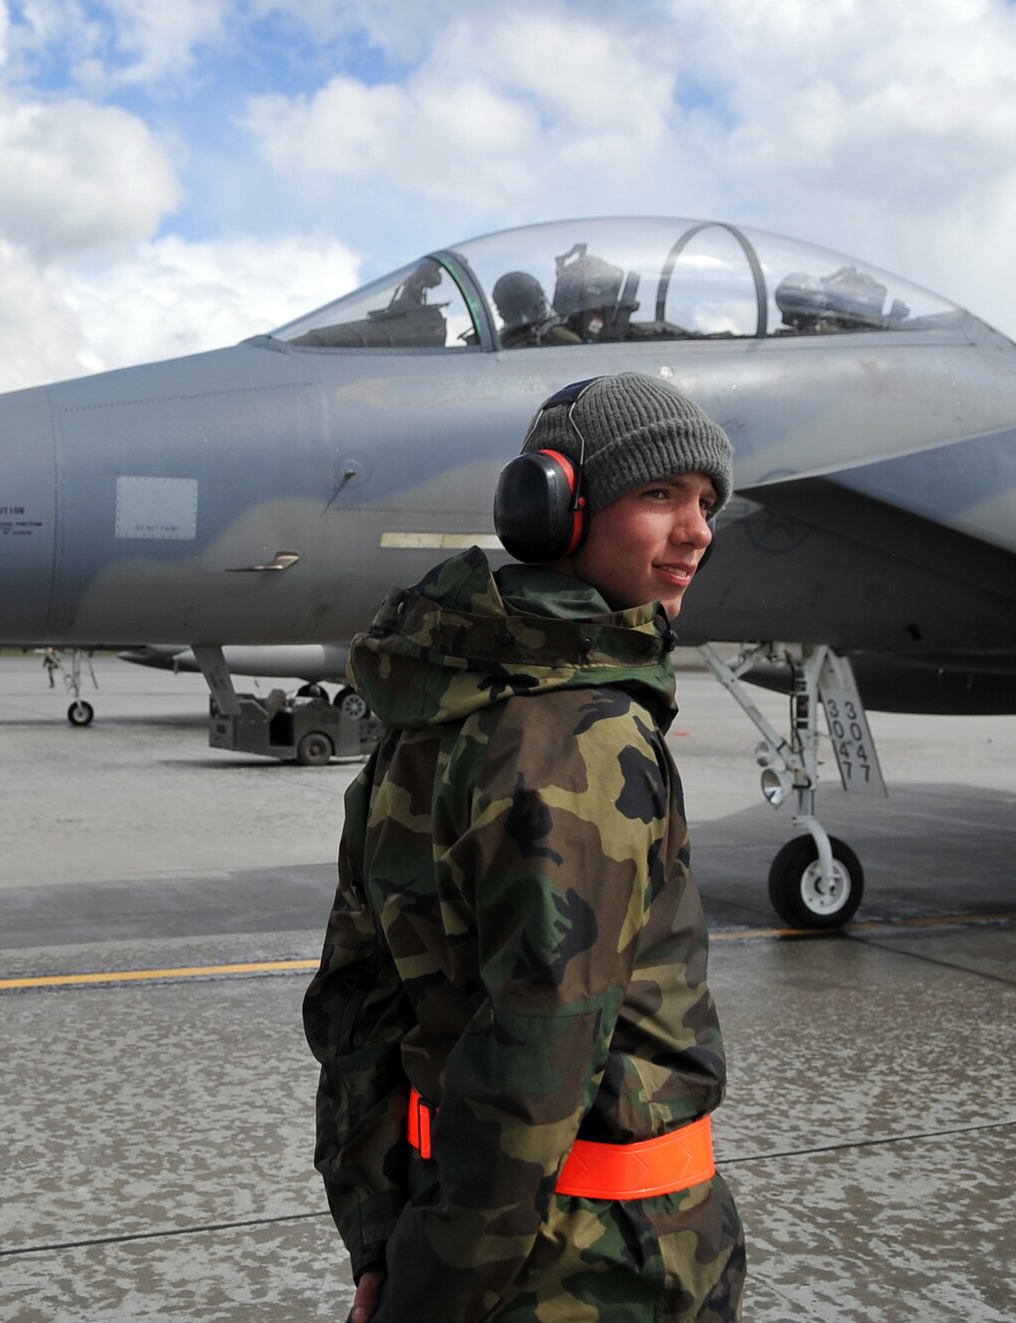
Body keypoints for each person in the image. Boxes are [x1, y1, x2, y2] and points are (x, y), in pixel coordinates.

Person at [303, 373, 745, 1322]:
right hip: (608, 1271)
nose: (698, 530)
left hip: (452, 1239)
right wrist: (433, 1292)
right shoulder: (585, 739)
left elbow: (356, 1008)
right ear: (553, 507)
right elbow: (537, 1059)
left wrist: (385, 1243)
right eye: (660, 494)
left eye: (708, 503)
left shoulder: (429, 710)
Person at [491, 270, 582, 349]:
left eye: (530, 308)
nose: (524, 320)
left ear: (540, 303)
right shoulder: (497, 344)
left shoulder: (565, 335)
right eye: (512, 313)